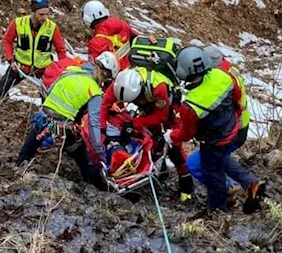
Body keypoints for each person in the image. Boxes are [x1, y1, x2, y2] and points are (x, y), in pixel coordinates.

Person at [168, 46, 265, 214]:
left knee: (213, 174)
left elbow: (187, 133)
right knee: (218, 160)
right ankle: (249, 183)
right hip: (232, 128)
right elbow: (236, 97)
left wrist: (171, 136)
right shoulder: (223, 76)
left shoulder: (191, 104)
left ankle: (217, 210)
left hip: (214, 140)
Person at [15, 52, 120, 190]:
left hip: (43, 118)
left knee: (32, 140)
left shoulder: (70, 71)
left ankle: (18, 167)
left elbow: (49, 91)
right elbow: (94, 124)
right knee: (83, 157)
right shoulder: (94, 91)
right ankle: (101, 187)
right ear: (105, 75)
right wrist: (99, 153)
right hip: (63, 128)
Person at [107, 68, 195, 199]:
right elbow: (105, 104)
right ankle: (152, 169)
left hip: (170, 112)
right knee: (152, 141)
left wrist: (135, 123)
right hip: (150, 109)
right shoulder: (122, 83)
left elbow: (161, 117)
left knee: (174, 148)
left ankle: (187, 186)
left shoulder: (159, 88)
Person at [0, 0, 68, 99]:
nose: (45, 18)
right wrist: (11, 60)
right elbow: (7, 41)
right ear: (33, 12)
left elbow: (61, 50)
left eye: (47, 14)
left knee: (49, 97)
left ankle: (44, 114)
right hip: (20, 66)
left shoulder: (52, 27)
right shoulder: (18, 23)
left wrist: (63, 67)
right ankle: (5, 106)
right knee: (0, 90)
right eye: (41, 14)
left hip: (43, 69)